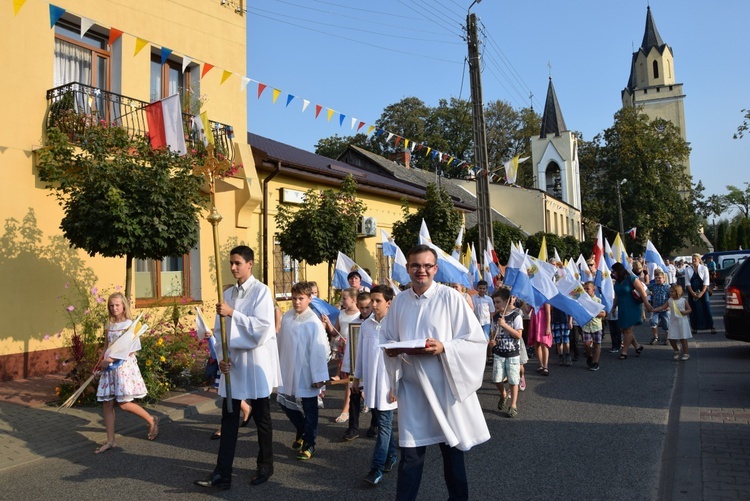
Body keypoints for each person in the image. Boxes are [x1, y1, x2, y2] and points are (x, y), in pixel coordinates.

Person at [383, 245, 490, 501]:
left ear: (435, 269)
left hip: (444, 388)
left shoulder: (450, 298)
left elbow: (475, 341)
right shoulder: (399, 301)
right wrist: (391, 351)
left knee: (452, 454)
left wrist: (444, 347)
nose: (421, 270)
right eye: (415, 266)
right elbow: (387, 337)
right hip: (414, 390)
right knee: (410, 455)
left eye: (427, 266)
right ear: (407, 268)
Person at [195, 246, 281, 490]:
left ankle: (265, 465)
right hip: (233, 365)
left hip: (255, 362)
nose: (233, 268)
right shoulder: (229, 293)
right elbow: (221, 331)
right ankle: (222, 474)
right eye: (231, 263)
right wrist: (222, 356)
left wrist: (233, 313)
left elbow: (262, 328)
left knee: (262, 416)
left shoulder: (261, 291)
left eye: (237, 263)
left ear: (249, 264)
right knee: (229, 418)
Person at [94, 292, 159, 454]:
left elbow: (132, 348)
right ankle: (110, 440)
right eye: (111, 305)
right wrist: (98, 363)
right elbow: (106, 346)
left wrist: (111, 361)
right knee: (107, 403)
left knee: (123, 404)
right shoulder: (109, 325)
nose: (114, 308)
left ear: (123, 306)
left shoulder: (131, 325)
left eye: (117, 305)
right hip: (108, 368)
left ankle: (151, 419)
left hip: (123, 367)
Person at [277, 281, 331, 461]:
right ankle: (301, 428)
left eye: (301, 298)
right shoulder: (286, 317)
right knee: (283, 401)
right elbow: (280, 344)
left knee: (310, 408)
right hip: (289, 369)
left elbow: (319, 350)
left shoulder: (313, 322)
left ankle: (310, 443)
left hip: (308, 372)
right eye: (294, 298)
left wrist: (319, 376)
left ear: (310, 299)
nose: (297, 302)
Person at [353, 285, 398, 486]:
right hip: (372, 382)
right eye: (372, 300)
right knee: (382, 422)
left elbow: (401, 359)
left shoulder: (396, 326)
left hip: (388, 384)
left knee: (385, 425)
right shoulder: (366, 325)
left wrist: (396, 386)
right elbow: (361, 353)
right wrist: (357, 378)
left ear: (389, 303)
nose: (373, 304)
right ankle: (392, 455)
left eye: (377, 300)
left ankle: (376, 468)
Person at [321, 287, 360, 424]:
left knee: (352, 381)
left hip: (355, 349)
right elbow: (334, 332)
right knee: (348, 381)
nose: (342, 300)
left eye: (344, 298)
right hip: (343, 348)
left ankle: (348, 409)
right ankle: (346, 410)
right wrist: (327, 323)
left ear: (354, 300)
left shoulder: (360, 314)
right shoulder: (342, 313)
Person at [342, 291, 373, 441]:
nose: (365, 311)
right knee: (354, 395)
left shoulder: (378, 322)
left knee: (374, 395)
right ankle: (353, 428)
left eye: (368, 307)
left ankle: (375, 424)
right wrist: (348, 368)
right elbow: (351, 347)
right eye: (362, 307)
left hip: (372, 366)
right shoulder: (355, 323)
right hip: (357, 366)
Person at [489, 288, 523, 417]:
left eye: (498, 302)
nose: (496, 305)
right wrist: (492, 341)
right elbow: (493, 334)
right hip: (499, 353)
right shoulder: (496, 317)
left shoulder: (516, 316)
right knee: (497, 379)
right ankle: (503, 393)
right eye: (494, 302)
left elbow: (518, 335)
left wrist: (505, 325)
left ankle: (513, 405)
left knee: (514, 380)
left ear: (507, 301)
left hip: (513, 353)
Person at [611, 262, 653, 360]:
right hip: (622, 307)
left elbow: (642, 291)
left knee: (628, 329)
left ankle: (624, 351)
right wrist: (613, 307)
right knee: (623, 329)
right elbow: (617, 295)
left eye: (614, 271)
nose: (613, 273)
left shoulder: (632, 279)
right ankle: (637, 346)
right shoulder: (617, 282)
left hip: (633, 306)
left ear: (619, 271)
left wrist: (647, 304)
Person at [654, 283, 693, 360]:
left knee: (683, 338)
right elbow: (662, 307)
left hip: (682, 321)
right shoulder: (670, 300)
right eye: (670, 291)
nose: (670, 293)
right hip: (673, 321)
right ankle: (676, 350)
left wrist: (684, 312)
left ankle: (686, 353)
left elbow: (689, 309)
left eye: (672, 292)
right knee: (671, 338)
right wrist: (653, 309)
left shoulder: (683, 300)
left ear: (677, 292)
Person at [685, 253, 715, 334]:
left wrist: (702, 292)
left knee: (706, 307)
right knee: (693, 308)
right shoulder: (688, 269)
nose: (693, 260)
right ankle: (694, 327)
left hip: (703, 290)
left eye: (695, 259)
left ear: (699, 259)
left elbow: (706, 281)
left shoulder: (704, 268)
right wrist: (692, 292)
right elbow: (687, 282)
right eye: (692, 259)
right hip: (692, 291)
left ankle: (711, 326)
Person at [581, 282, 607, 371]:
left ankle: (595, 363)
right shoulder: (583, 301)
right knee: (586, 343)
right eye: (584, 289)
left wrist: (593, 313)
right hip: (586, 326)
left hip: (596, 325)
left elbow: (603, 314)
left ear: (594, 290)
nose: (586, 291)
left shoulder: (598, 301)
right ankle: (589, 356)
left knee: (597, 344)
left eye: (588, 289)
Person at [526, 302, 552, 376]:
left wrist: (548, 326)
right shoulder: (533, 300)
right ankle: (541, 365)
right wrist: (525, 303)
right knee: (536, 344)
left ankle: (545, 366)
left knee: (544, 344)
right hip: (534, 321)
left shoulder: (545, 300)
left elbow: (548, 313)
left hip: (543, 323)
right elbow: (528, 311)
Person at [647, 269, 671, 345]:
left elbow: (671, 297)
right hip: (655, 309)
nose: (657, 279)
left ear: (663, 278)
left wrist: (669, 306)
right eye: (656, 278)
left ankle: (667, 338)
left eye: (659, 278)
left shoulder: (668, 287)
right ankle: (655, 337)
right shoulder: (653, 286)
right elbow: (644, 287)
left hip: (665, 309)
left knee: (667, 324)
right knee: (653, 321)